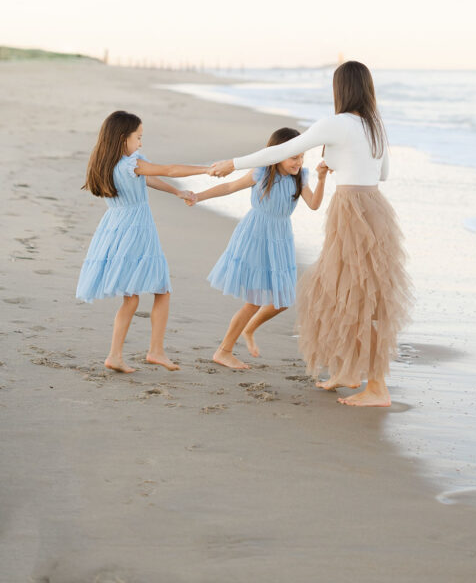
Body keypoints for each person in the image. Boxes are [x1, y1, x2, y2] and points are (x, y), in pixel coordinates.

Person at [210, 60, 412, 408]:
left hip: (351, 209)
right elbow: (385, 173)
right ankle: (348, 371)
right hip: (374, 208)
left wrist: (234, 162)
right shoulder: (374, 126)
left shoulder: (335, 123)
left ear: (340, 89)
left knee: (358, 295)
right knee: (343, 291)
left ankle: (377, 387)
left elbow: (283, 150)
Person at [77, 110, 211, 373]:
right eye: (138, 137)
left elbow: (150, 178)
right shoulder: (131, 165)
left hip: (116, 229)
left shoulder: (111, 163)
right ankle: (155, 351)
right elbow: (169, 169)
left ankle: (117, 355)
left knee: (133, 297)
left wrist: (177, 192)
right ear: (122, 138)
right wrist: (207, 168)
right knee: (161, 288)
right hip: (136, 231)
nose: (141, 143)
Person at [185, 128, 328, 369]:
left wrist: (322, 179)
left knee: (283, 299)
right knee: (254, 300)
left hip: (280, 237)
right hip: (256, 234)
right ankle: (224, 351)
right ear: (277, 155)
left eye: (301, 156)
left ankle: (249, 329)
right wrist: (199, 196)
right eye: (294, 157)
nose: (299, 161)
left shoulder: (300, 177)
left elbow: (314, 205)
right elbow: (229, 187)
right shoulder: (261, 172)